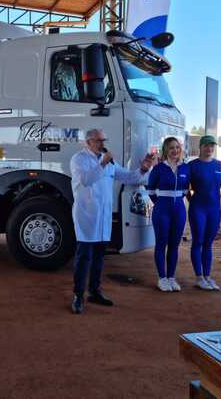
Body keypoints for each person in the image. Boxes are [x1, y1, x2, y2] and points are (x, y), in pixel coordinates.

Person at [70, 129, 153, 314]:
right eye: (98, 140)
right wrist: (103, 162)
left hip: (103, 216)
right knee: (84, 256)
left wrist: (143, 169)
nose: (102, 143)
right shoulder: (79, 159)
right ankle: (78, 295)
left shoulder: (109, 162)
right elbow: (86, 180)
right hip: (87, 215)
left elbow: (130, 177)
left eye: (103, 140)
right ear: (89, 142)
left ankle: (94, 291)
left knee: (100, 256)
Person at [148, 137, 190, 292]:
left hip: (179, 209)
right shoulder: (159, 168)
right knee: (161, 244)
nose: (175, 150)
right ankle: (162, 278)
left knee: (174, 245)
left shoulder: (185, 168)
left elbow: (186, 189)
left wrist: (176, 200)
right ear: (166, 150)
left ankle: (171, 277)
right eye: (171, 147)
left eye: (177, 147)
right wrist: (160, 203)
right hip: (162, 210)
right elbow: (150, 190)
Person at [188, 135, 221, 291]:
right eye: (206, 146)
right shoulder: (192, 165)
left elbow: (218, 187)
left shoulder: (219, 165)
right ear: (200, 147)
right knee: (198, 241)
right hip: (198, 208)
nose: (209, 149)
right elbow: (185, 189)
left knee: (209, 243)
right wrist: (194, 202)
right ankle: (199, 277)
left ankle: (207, 276)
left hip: (215, 209)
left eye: (212, 146)